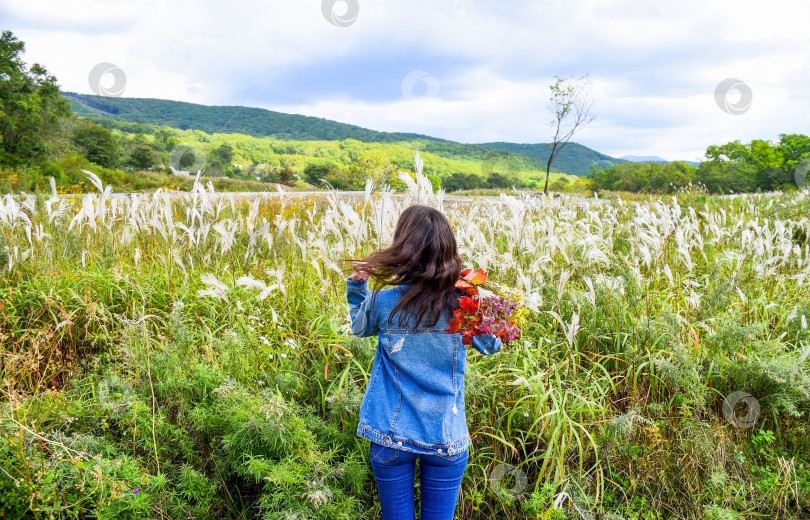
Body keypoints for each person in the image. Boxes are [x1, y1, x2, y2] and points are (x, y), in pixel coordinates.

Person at [345, 204, 502, 520]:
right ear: (448, 251)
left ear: (403, 248)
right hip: (446, 435)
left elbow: (358, 328)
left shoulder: (382, 300)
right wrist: (476, 293)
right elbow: (492, 345)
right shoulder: (464, 304)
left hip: (390, 434)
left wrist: (357, 286)